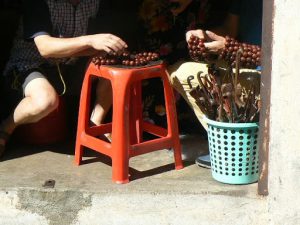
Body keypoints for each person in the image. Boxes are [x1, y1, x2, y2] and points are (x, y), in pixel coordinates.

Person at [0, 0, 128, 158]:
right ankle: (5, 128)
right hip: (30, 64)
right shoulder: (40, 3)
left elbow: (99, 43)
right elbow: (45, 48)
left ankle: (94, 125)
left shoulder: (94, 2)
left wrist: (105, 48)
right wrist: (90, 40)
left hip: (70, 64)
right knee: (45, 101)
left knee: (113, 66)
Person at [168, 0, 263, 167]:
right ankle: (228, 145)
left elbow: (285, 56)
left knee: (185, 72)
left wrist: (233, 49)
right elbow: (229, 29)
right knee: (180, 71)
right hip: (247, 67)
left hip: (272, 78)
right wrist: (205, 36)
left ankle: (237, 151)